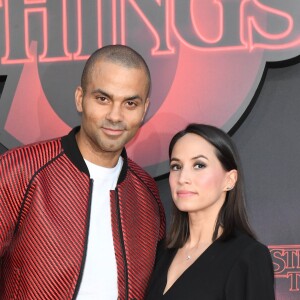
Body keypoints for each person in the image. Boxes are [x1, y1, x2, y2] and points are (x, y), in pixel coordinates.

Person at [0, 44, 165, 299]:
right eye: (103, 99)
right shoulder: (21, 170)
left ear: (144, 109)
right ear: (80, 98)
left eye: (130, 103)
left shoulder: (146, 193)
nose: (115, 115)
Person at [146, 123, 275, 300]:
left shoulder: (248, 257)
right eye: (176, 166)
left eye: (199, 165)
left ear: (229, 180)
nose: (183, 178)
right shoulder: (160, 253)